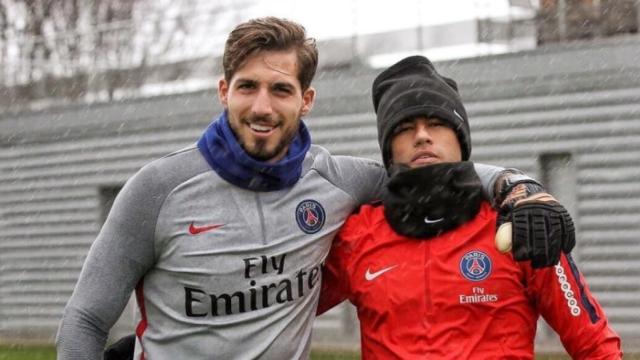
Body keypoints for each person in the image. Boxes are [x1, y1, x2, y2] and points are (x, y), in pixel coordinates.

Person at [56, 18, 575, 359]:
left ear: (306, 100)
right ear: (223, 91)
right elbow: (85, 318)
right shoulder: (156, 189)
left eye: (280, 89)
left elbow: (429, 173)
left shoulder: (339, 182)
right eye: (247, 87)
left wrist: (519, 187)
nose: (262, 106)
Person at [318, 55, 621, 359]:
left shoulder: (520, 225)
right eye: (405, 127)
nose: (422, 135)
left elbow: (595, 345)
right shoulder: (356, 235)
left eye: (436, 123)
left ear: (461, 139)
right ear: (388, 148)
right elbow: (284, 312)